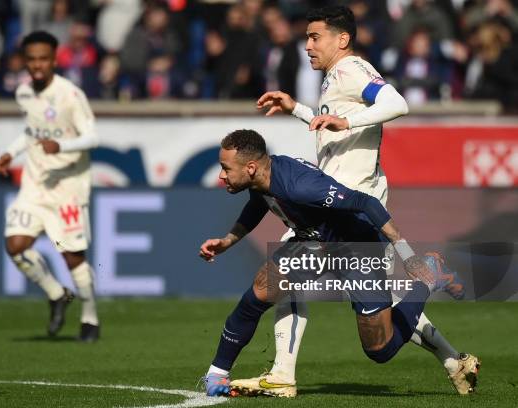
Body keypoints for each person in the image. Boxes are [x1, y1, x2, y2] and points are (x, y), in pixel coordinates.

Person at [238, 5, 478, 396]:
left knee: (288, 280)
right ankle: (454, 359)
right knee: (373, 312)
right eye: (307, 38)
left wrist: (347, 121)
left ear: (342, 39)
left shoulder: (353, 69)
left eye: (315, 37)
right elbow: (332, 125)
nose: (308, 46)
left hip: (352, 214)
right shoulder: (336, 77)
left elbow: (396, 103)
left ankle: (283, 375)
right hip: (335, 213)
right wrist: (298, 110)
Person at [200, 130, 478, 397]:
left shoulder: (301, 187)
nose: (222, 175)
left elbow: (365, 202)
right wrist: (228, 241)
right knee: (258, 295)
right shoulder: (262, 178)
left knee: (379, 349)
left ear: (250, 167)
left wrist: (407, 255)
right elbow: (258, 205)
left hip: (356, 246)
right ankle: (218, 373)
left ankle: (429, 277)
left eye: (225, 168)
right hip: (313, 244)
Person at [0, 31, 100, 342]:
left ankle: (90, 318)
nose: (37, 65)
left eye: (43, 59)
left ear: (55, 60)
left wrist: (63, 145)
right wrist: (10, 153)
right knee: (15, 246)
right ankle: (56, 295)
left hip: (68, 186)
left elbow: (92, 137)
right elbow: (32, 130)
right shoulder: (24, 92)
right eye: (32, 59)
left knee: (72, 258)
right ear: (25, 62)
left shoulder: (70, 95)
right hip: (35, 183)